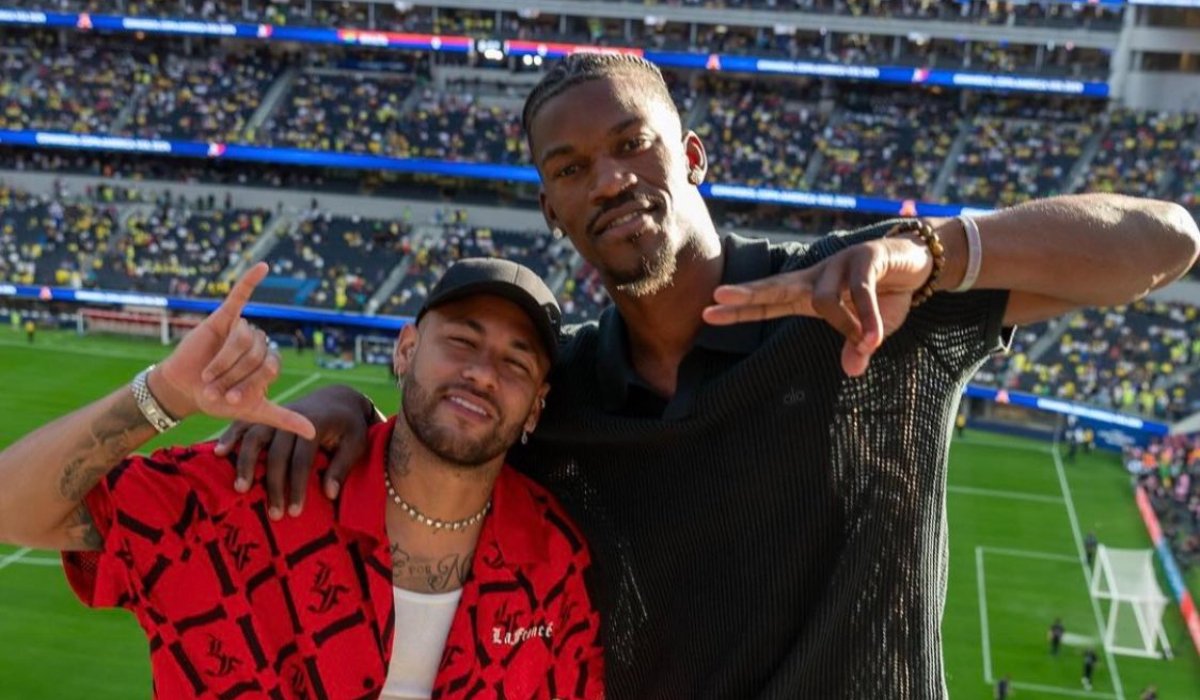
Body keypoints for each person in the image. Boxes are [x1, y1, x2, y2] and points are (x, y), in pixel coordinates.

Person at [221, 54, 1200, 697]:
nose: (605, 178)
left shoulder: (857, 299)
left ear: (691, 155)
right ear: (553, 210)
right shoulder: (553, 392)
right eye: (569, 168)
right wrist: (339, 400)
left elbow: (1164, 244)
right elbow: (434, 432)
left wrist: (933, 252)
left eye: (630, 144)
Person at [0, 260, 603, 699]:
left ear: (536, 407)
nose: (482, 374)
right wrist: (162, 395)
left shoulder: (554, 563)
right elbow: (13, 509)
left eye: (515, 362)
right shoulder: (251, 487)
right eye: (462, 341)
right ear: (406, 349)